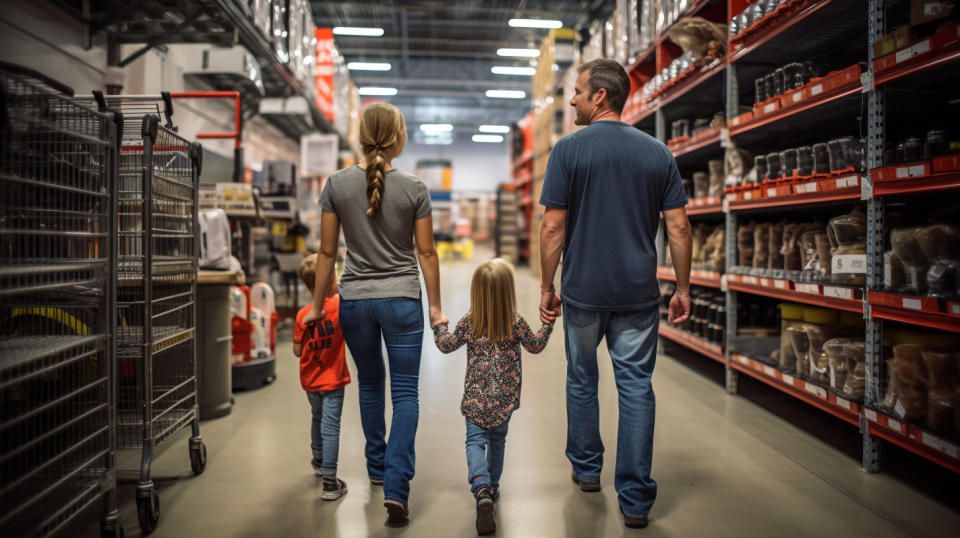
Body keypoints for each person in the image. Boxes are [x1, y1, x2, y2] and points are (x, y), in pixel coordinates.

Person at [537, 58, 693, 530]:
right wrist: (683, 287)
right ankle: (636, 498)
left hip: (583, 292)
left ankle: (587, 471)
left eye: (578, 92)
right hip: (638, 294)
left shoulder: (568, 151)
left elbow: (551, 226)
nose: (572, 100)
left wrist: (547, 285)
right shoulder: (658, 154)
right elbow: (680, 228)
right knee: (636, 387)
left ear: (600, 96)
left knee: (582, 380)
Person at [303, 102, 446, 528]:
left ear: (363, 138)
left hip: (355, 303)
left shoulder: (335, 184)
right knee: (405, 395)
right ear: (398, 138)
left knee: (369, 386)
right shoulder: (416, 189)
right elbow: (426, 252)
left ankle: (377, 470)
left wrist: (314, 306)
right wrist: (435, 307)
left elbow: (327, 252)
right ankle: (398, 489)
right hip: (402, 301)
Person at [432, 258, 553, 536]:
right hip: (504, 401)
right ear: (508, 291)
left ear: (476, 291)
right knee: (497, 442)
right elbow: (535, 346)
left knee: (475, 442)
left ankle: (481, 487)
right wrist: (548, 324)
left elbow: (445, 345)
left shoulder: (469, 321)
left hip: (475, 400)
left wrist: (439, 324)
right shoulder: (515, 321)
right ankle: (493, 487)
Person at [293, 254, 350, 500]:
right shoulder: (340, 307)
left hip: (310, 380)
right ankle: (329, 481)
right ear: (331, 280)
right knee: (331, 426)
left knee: (317, 417)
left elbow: (297, 351)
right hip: (333, 379)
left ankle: (318, 458)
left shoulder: (301, 315)